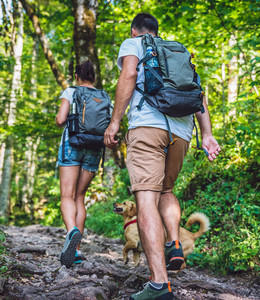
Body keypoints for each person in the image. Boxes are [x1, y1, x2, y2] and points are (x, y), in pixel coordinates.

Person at [104, 13, 221, 300]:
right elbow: (199, 95)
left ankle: (159, 284)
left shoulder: (134, 43)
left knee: (146, 198)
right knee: (166, 190)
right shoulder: (178, 50)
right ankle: (173, 241)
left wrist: (115, 121)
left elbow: (129, 74)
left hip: (147, 127)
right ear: (159, 31)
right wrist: (207, 134)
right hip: (182, 132)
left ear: (135, 30)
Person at [55, 60, 103, 268]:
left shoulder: (71, 91)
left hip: (72, 144)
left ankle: (71, 231)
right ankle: (76, 249)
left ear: (77, 76)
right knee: (80, 197)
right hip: (94, 147)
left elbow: (60, 119)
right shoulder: (102, 95)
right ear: (94, 77)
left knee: (67, 195)